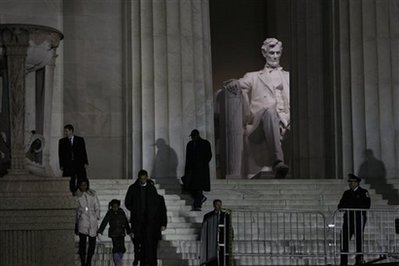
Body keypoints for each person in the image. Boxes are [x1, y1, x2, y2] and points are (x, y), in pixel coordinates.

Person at [223, 38, 290, 178]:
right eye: (272, 53)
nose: (275, 56)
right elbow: (239, 84)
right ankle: (278, 160)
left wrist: (286, 118)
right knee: (271, 112)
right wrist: (234, 82)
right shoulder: (253, 77)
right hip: (260, 123)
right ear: (264, 53)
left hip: (286, 119)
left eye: (278, 53)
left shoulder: (289, 77)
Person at [125, 169, 162, 266]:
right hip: (137, 219)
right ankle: (137, 258)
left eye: (144, 179)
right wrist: (135, 209)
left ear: (146, 178)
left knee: (146, 240)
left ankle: (143, 260)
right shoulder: (133, 188)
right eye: (141, 179)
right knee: (137, 240)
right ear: (139, 178)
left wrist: (152, 214)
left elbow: (155, 203)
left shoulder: (151, 188)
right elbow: (127, 202)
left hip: (148, 219)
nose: (143, 180)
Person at [338, 174, 371, 266]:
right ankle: (343, 262)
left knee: (359, 240)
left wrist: (351, 206)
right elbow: (340, 205)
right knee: (344, 240)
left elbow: (367, 205)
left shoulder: (364, 192)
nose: (351, 184)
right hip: (348, 219)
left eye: (353, 182)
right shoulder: (346, 193)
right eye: (350, 182)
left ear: (357, 183)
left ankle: (359, 260)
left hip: (359, 219)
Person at [182, 129, 212, 211]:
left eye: (193, 136)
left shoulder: (205, 143)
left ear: (197, 135)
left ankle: (197, 205)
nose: (192, 138)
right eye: (191, 137)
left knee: (199, 188)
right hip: (192, 170)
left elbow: (209, 155)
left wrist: (202, 164)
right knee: (189, 186)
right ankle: (201, 198)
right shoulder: (190, 144)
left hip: (201, 170)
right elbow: (188, 158)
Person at [98, 199, 132, 266]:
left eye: (116, 206)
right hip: (114, 233)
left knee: (122, 248)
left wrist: (129, 231)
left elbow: (126, 222)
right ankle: (118, 262)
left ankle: (119, 260)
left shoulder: (121, 212)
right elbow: (105, 221)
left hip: (121, 233)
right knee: (116, 248)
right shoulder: (110, 213)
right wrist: (100, 230)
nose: (115, 208)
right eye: (114, 207)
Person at [75, 178, 100, 266]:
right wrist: (77, 221)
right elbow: (76, 210)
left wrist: (96, 216)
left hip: (92, 221)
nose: (83, 186)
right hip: (83, 221)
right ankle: (83, 261)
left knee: (92, 243)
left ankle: (89, 261)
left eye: (85, 185)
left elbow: (97, 206)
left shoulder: (92, 194)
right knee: (82, 244)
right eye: (82, 185)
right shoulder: (77, 196)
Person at [58, 124, 89, 195]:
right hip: (68, 164)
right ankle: (71, 193)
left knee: (80, 178)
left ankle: (80, 193)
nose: (65, 133)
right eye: (64, 131)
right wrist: (61, 165)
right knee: (70, 179)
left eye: (66, 131)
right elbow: (60, 154)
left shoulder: (80, 140)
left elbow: (83, 151)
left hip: (79, 163)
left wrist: (85, 162)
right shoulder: (62, 141)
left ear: (71, 131)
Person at [202, 199, 232, 266]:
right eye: (217, 205)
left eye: (220, 204)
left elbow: (229, 228)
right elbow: (204, 229)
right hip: (211, 241)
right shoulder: (207, 216)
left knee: (222, 258)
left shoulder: (226, 216)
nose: (219, 206)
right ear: (214, 205)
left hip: (222, 240)